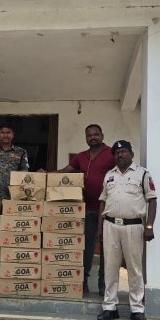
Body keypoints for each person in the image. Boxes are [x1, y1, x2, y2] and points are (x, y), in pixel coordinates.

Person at [96, 140, 157, 320]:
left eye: (123, 151)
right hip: (110, 226)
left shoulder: (143, 174)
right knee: (110, 267)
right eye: (117, 152)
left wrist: (149, 226)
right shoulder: (109, 175)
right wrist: (99, 228)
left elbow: (152, 200)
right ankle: (109, 307)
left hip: (134, 227)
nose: (120, 155)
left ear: (131, 154)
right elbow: (102, 202)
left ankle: (137, 309)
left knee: (134, 268)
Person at [58, 124, 114, 296]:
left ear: (102, 136)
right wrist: (45, 175)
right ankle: (83, 282)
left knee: (107, 249)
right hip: (87, 209)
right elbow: (65, 172)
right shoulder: (81, 157)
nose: (93, 137)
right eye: (89, 135)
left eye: (96, 134)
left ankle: (103, 284)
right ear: (86, 138)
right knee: (86, 248)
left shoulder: (111, 154)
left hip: (108, 210)